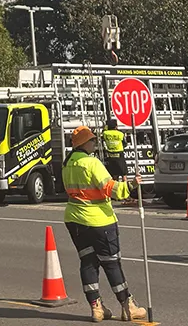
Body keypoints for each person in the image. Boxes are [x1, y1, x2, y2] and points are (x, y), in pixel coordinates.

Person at [62, 125, 152, 322]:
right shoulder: (91, 163)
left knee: (88, 262)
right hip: (99, 220)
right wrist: (131, 185)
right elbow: (111, 189)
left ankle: (96, 307)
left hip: (75, 219)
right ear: (84, 143)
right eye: (92, 140)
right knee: (111, 263)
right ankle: (127, 305)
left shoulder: (67, 164)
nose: (95, 142)